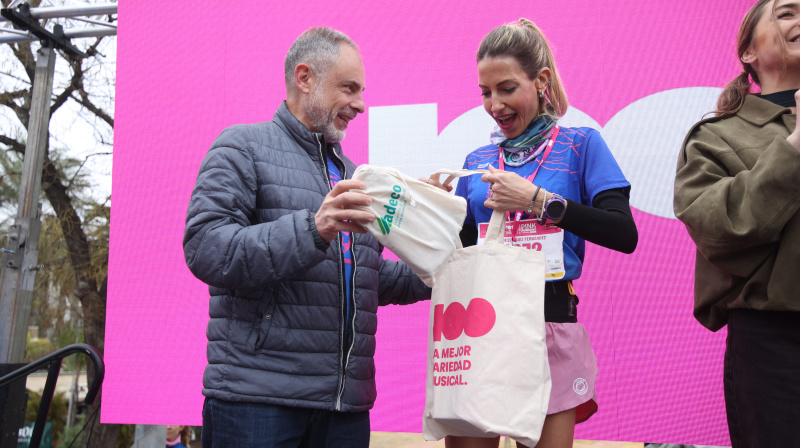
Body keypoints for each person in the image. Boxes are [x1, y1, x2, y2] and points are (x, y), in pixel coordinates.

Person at [183, 26, 430, 448]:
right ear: (305, 78)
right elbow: (207, 248)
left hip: (344, 411)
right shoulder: (242, 147)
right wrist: (313, 229)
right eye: (349, 88)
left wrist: (441, 269)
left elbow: (366, 277)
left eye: (362, 91)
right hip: (256, 404)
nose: (361, 104)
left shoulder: (354, 175)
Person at [439, 18, 638, 448]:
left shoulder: (582, 145)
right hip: (480, 326)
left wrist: (539, 201)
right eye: (485, 93)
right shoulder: (477, 161)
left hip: (550, 318)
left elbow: (624, 233)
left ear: (541, 80)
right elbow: (460, 251)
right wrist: (433, 214)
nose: (495, 105)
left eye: (507, 89)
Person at [673, 1, 800, 446]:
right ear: (748, 51)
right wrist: (796, 147)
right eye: (787, 12)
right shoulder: (718, 136)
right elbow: (719, 227)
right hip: (778, 347)